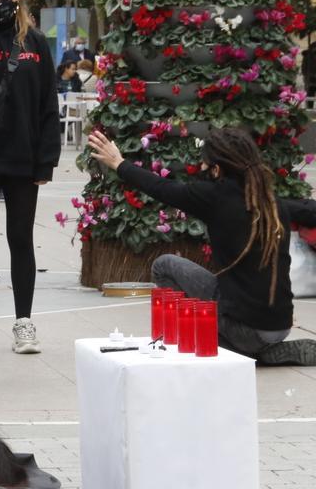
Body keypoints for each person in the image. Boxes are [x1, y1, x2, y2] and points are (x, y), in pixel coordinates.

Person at [88, 129, 316, 366]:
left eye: (205, 166)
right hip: (280, 324)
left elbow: (162, 188)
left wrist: (119, 163)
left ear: (217, 168)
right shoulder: (270, 200)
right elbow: (309, 209)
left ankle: (232, 348)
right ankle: (264, 349)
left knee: (164, 266)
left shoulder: (214, 197)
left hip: (246, 330)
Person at [0, 0, 60, 355]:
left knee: (21, 239)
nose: (0, 1)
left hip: (23, 157)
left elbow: (47, 104)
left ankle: (24, 322)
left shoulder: (34, 42)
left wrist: (47, 160)